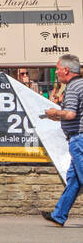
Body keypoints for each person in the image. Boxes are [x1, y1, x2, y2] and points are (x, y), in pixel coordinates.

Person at [43, 54, 83, 226]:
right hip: (78, 138)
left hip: (79, 140)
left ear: (66, 70)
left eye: (58, 68)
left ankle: (59, 214)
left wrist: (54, 113)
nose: (56, 72)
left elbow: (71, 113)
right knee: (74, 179)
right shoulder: (80, 84)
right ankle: (59, 215)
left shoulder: (74, 87)